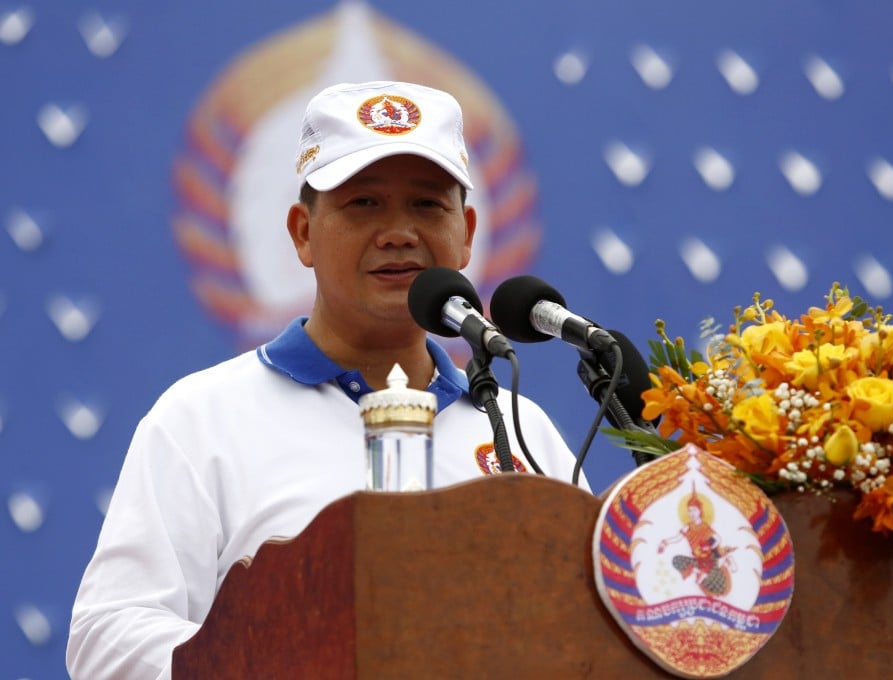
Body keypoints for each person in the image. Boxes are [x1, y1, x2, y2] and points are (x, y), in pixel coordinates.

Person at [66, 81, 585, 679]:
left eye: (426, 205)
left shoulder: (521, 431)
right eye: (363, 203)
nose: (398, 232)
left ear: (466, 232)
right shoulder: (201, 419)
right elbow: (108, 640)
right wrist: (290, 651)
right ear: (302, 233)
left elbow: (593, 632)